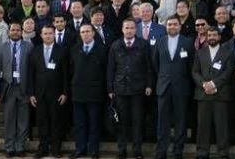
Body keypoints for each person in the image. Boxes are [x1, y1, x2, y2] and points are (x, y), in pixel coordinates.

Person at [107, 19, 153, 159]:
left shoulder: (143, 44)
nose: (129, 30)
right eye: (126, 28)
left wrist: (149, 85)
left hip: (138, 89)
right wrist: (110, 88)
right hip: (120, 89)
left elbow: (149, 67)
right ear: (122, 29)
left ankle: (137, 150)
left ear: (135, 29)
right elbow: (110, 68)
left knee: (137, 121)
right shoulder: (115, 45)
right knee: (122, 121)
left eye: (132, 28)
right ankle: (122, 150)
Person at [153, 15, 194, 159]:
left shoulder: (187, 42)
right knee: (162, 121)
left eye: (175, 24)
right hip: (163, 87)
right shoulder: (160, 41)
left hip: (181, 87)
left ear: (180, 26)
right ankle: (161, 151)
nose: (172, 27)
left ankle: (178, 151)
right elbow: (155, 63)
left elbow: (191, 65)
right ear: (166, 26)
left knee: (180, 121)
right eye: (169, 24)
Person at [191, 25, 235, 159]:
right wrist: (204, 84)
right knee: (203, 126)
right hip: (203, 94)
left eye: (214, 35)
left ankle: (223, 153)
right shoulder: (200, 52)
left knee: (222, 126)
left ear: (219, 37)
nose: (211, 38)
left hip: (221, 94)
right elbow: (195, 72)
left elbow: (228, 72)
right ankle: (202, 152)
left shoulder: (228, 52)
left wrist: (214, 84)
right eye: (209, 35)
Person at [27, 24, 69, 159]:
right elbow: (31, 74)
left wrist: (65, 92)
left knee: (56, 121)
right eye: (45, 33)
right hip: (39, 94)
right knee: (42, 122)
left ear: (54, 34)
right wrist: (31, 94)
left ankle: (56, 149)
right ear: (41, 35)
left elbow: (66, 74)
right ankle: (43, 149)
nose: (48, 36)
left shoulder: (62, 51)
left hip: (56, 93)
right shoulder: (35, 51)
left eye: (50, 33)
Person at [0, 22, 32, 157]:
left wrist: (32, 91)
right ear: (8, 32)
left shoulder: (29, 46)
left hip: (23, 88)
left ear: (22, 32)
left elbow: (32, 71)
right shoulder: (1, 48)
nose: (15, 32)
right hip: (8, 89)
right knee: (9, 120)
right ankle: (9, 147)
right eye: (13, 30)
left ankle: (20, 146)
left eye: (18, 30)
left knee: (23, 120)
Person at [69, 24, 107, 159]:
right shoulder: (74, 49)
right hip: (78, 92)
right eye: (83, 32)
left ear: (93, 33)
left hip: (95, 93)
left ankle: (93, 150)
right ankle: (80, 149)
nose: (85, 34)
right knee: (79, 124)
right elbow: (71, 70)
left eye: (88, 31)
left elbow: (105, 71)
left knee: (94, 124)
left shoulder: (102, 49)